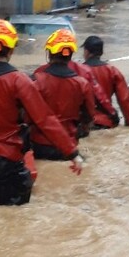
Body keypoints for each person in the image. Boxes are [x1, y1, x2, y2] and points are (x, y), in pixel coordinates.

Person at [0, 19, 83, 209]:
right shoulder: (20, 81)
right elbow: (44, 120)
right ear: (11, 50)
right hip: (9, 164)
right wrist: (72, 152)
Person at [30, 28, 97, 160]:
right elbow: (89, 116)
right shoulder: (82, 84)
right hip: (68, 147)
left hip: (38, 146)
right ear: (70, 55)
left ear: (49, 53)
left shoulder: (36, 79)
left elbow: (25, 115)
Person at [73, 35, 129, 129]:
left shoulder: (77, 72)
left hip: (84, 124)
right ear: (101, 52)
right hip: (107, 122)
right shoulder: (113, 71)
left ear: (86, 52)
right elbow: (124, 99)